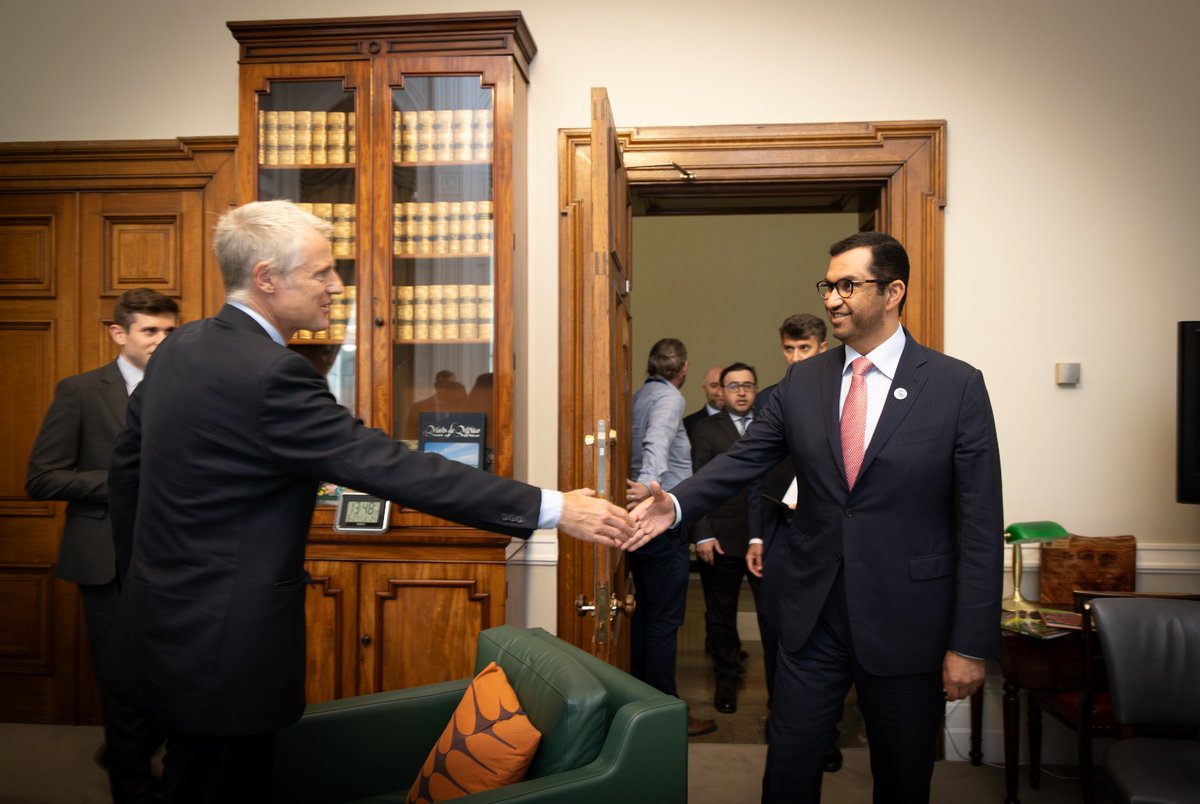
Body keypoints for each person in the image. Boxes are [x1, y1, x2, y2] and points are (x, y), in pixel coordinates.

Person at [99, 200, 637, 804]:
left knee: (191, 777)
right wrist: (554, 508)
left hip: (159, 623)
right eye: (321, 272)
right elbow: (391, 466)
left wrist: (143, 578)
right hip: (226, 644)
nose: (336, 285)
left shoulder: (183, 346)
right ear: (267, 278)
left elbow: (128, 478)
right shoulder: (270, 373)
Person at [630, 231, 1003, 803]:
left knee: (903, 781)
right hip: (813, 618)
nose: (832, 299)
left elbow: (979, 524)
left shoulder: (955, 386)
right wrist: (677, 502)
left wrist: (971, 644)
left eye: (848, 285)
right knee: (788, 770)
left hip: (908, 625)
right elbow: (745, 460)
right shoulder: (803, 382)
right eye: (828, 285)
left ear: (893, 291)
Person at [26, 287, 179, 804]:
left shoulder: (186, 389)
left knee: (174, 676)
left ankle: (125, 753)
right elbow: (43, 478)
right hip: (105, 563)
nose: (162, 340)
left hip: (175, 559)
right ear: (120, 334)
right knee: (122, 685)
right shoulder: (80, 392)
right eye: (150, 331)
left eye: (169, 332)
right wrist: (123, 480)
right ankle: (131, 789)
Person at [745, 313, 843, 772]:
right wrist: (755, 534)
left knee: (828, 629)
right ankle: (782, 719)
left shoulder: (852, 395)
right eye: (789, 349)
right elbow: (752, 473)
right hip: (779, 529)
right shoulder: (770, 400)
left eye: (805, 348)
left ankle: (826, 731)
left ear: (821, 347)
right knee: (776, 626)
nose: (796, 356)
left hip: (830, 532)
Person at [624, 338, 716, 738]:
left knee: (644, 617)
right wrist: (650, 487)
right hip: (661, 521)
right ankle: (664, 718)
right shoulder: (671, 399)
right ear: (683, 370)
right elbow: (657, 441)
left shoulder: (637, 395)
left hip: (641, 522)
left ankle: (641, 710)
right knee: (662, 622)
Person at [689, 362, 760, 715]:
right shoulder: (705, 430)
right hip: (721, 537)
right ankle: (726, 682)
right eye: (734, 386)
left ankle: (782, 695)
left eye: (748, 385)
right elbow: (699, 484)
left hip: (766, 539)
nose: (742, 392)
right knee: (721, 617)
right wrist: (702, 534)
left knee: (774, 618)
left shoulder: (769, 425)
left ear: (756, 389)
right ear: (722, 391)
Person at [683, 365, 725, 435]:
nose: (720, 391)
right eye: (714, 385)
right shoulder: (688, 424)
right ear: (705, 389)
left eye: (723, 385)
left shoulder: (742, 420)